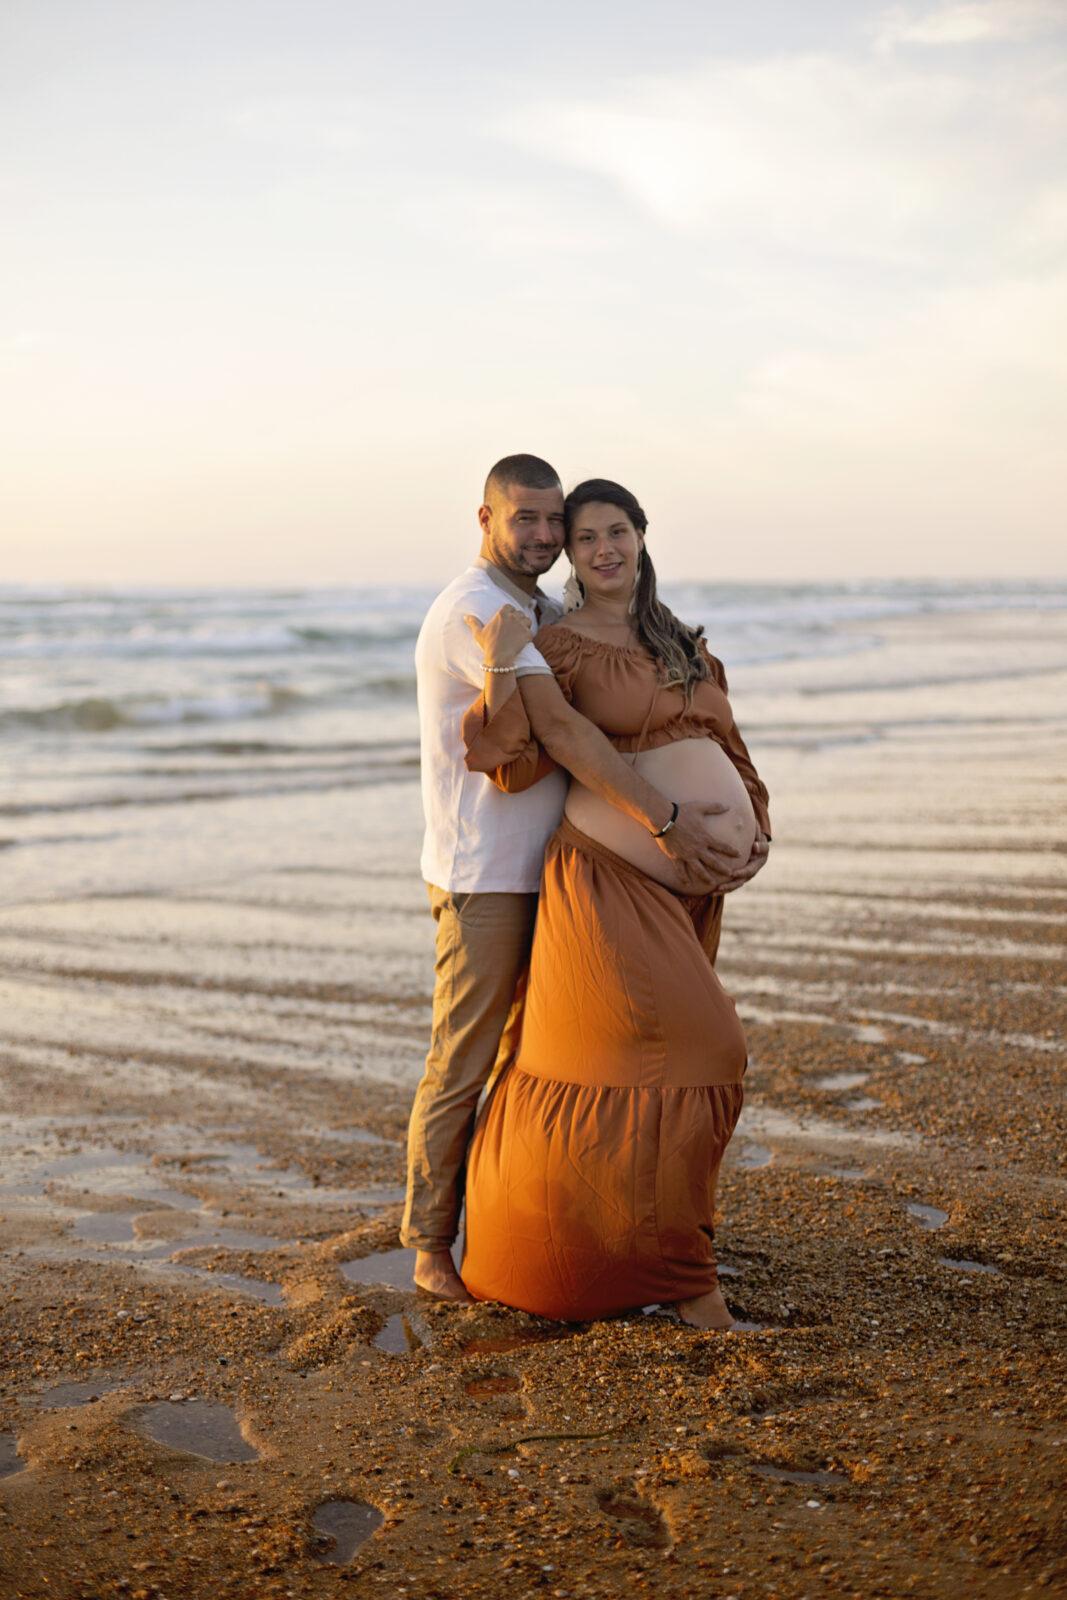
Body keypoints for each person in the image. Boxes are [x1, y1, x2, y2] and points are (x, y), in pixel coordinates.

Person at [403, 455, 744, 1302]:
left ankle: (556, 1231)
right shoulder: (477, 612)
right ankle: (429, 1246)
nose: (548, 536)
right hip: (486, 873)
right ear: (484, 518)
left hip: (571, 873)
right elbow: (548, 739)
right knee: (468, 1058)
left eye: (559, 522)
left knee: (551, 1057)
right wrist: (666, 819)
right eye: (531, 519)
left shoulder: (542, 608)